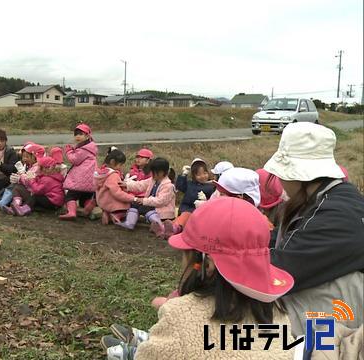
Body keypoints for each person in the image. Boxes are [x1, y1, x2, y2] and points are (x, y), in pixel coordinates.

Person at [101, 198, 295, 360]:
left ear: (207, 264)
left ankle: (138, 349)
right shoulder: (278, 312)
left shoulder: (180, 315)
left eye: (185, 253)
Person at [264, 122, 364, 340]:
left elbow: (276, 272)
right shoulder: (337, 197)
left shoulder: (333, 217)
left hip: (338, 329)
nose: (279, 180)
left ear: (297, 175)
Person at [120, 157, 176, 238]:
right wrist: (127, 185)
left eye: (154, 173)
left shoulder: (168, 186)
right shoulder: (153, 180)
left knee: (144, 208)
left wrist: (144, 201)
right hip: (152, 206)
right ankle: (129, 223)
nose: (152, 175)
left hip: (162, 211)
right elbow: (141, 185)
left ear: (161, 173)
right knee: (135, 204)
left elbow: (160, 201)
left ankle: (161, 226)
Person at [163, 158, 215, 237]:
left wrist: (205, 200)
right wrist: (183, 175)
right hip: (185, 208)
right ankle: (164, 228)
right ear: (194, 176)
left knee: (184, 217)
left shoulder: (211, 187)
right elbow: (180, 186)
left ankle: (173, 229)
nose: (202, 176)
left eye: (204, 173)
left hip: (198, 213)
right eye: (199, 174)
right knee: (182, 217)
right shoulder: (190, 184)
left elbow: (214, 202)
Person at [59, 123, 98, 220]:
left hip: (80, 180)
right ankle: (89, 204)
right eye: (76, 134)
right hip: (89, 181)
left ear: (87, 135)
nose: (77, 137)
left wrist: (68, 151)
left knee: (70, 196)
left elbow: (74, 159)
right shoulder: (91, 148)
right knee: (84, 198)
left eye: (80, 134)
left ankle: (71, 212)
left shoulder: (84, 149)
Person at [0, 142, 45, 211]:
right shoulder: (29, 166)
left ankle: (8, 204)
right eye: (23, 156)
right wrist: (18, 175)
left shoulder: (37, 168)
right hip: (29, 191)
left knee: (17, 187)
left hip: (32, 194)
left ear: (35, 157)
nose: (24, 159)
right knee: (14, 184)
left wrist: (20, 178)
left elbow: (29, 180)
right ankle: (11, 204)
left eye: (27, 157)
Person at [94, 148, 134, 225]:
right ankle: (116, 216)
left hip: (102, 201)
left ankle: (106, 212)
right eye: (120, 164)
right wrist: (131, 198)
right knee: (130, 208)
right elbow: (117, 193)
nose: (121, 167)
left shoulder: (100, 172)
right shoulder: (113, 175)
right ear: (113, 162)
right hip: (112, 203)